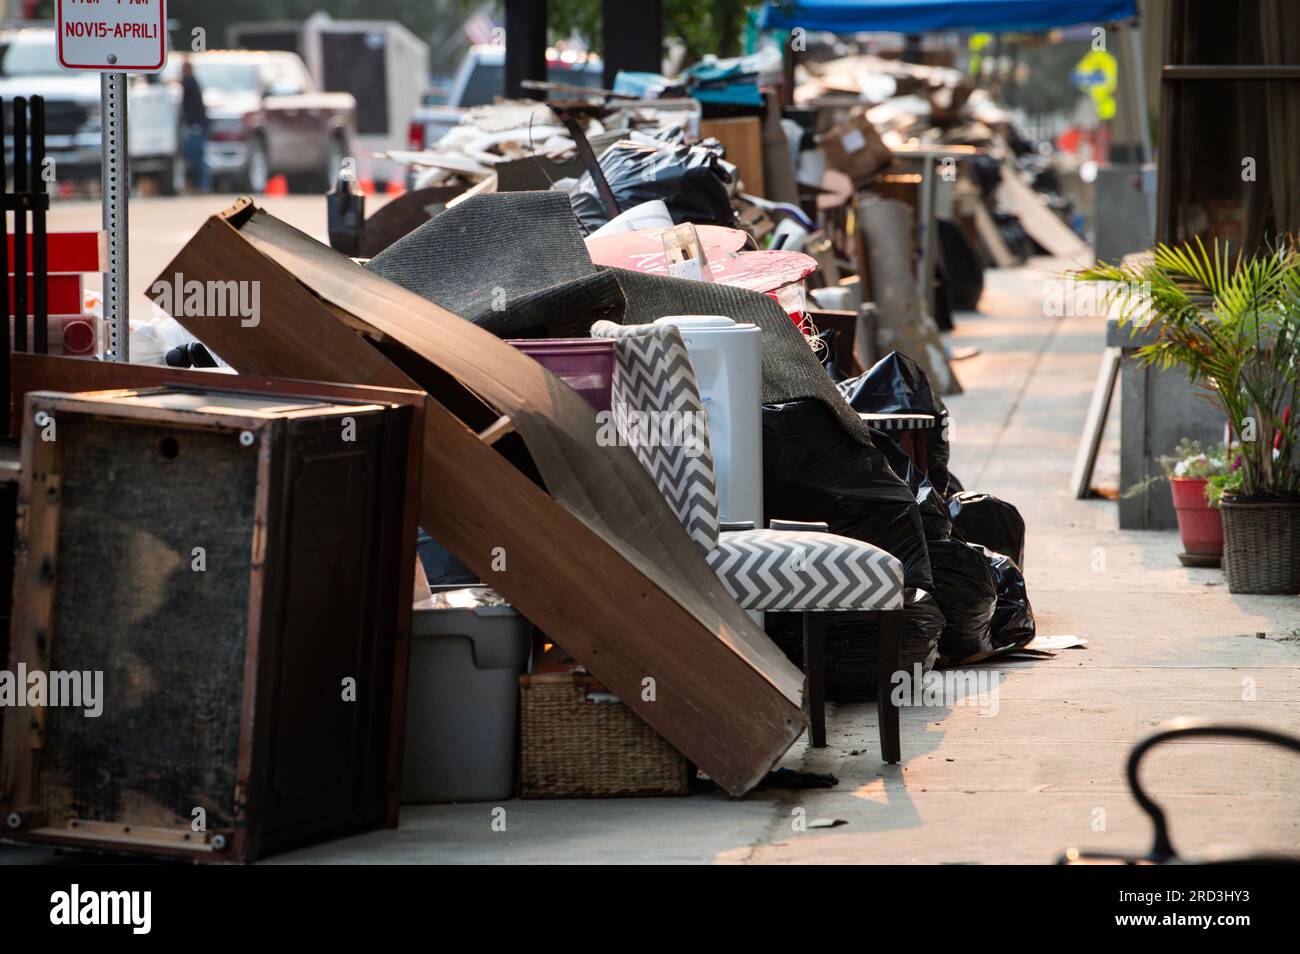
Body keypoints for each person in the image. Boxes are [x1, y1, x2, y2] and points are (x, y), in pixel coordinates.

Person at [180, 61, 210, 192]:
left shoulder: (190, 82)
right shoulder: (193, 81)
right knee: (194, 154)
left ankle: (204, 184)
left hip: (197, 125)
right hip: (198, 124)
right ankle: (202, 184)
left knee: (195, 154)